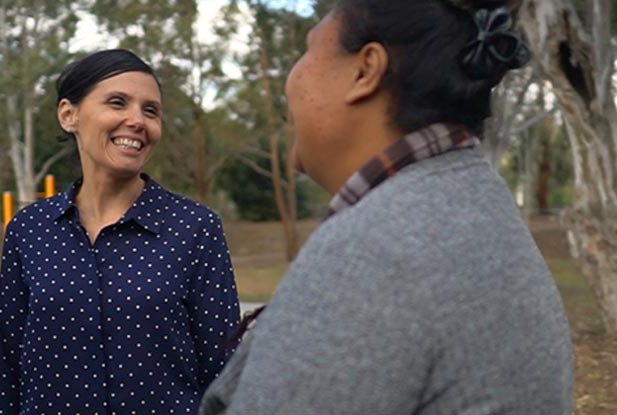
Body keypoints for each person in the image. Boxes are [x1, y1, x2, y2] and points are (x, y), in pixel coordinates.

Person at [200, 1, 573, 414]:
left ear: (365, 70)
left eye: (307, 50)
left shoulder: (374, 250)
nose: (293, 78)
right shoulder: (478, 209)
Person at [0, 49, 240, 415]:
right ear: (69, 115)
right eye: (118, 102)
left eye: (151, 111)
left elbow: (224, 370)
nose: (137, 120)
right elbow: (5, 366)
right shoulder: (29, 230)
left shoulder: (195, 228)